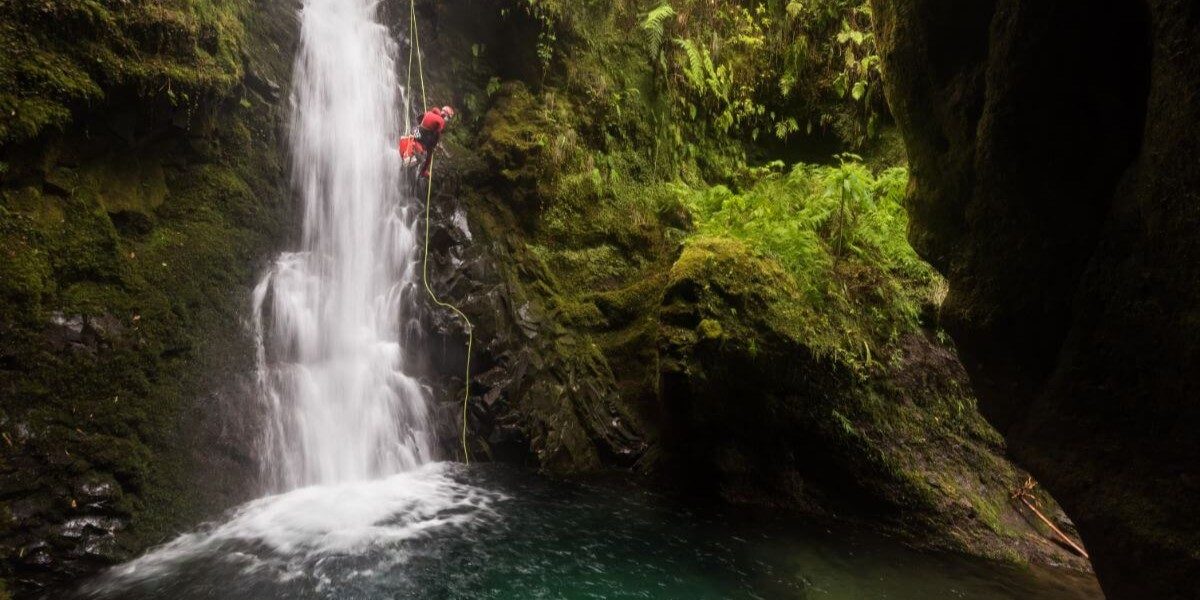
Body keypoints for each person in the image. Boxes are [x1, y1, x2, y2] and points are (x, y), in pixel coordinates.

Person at [416, 105, 454, 178]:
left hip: (417, 132)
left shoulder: (429, 112)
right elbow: (437, 135)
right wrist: (433, 146)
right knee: (429, 155)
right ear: (445, 115)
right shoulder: (441, 121)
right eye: (448, 117)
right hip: (423, 137)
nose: (447, 119)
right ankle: (423, 172)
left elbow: (418, 118)